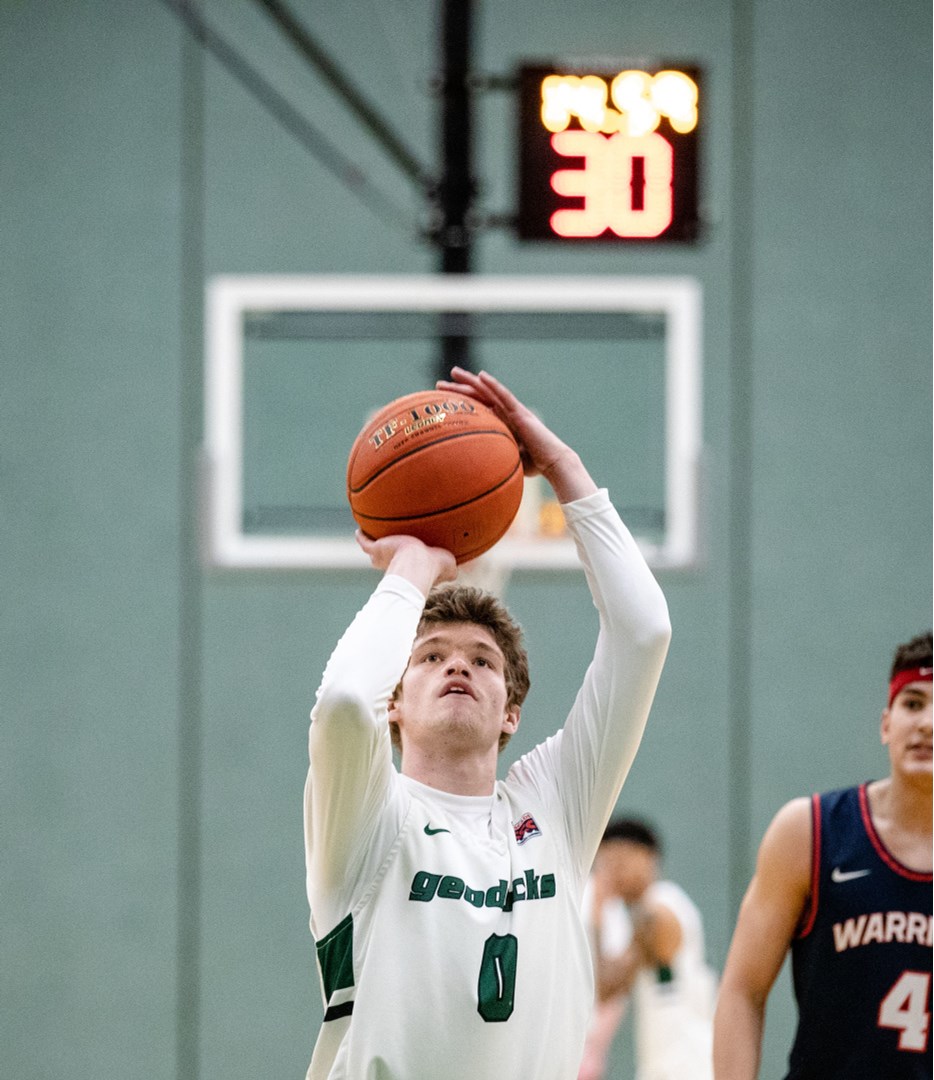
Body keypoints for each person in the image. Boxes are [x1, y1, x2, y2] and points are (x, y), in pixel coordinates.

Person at [302, 367, 672, 1080]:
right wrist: (411, 570)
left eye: (482, 659)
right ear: (394, 703)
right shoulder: (367, 816)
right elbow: (345, 700)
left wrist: (563, 468)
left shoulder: (553, 808)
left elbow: (645, 632)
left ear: (510, 712)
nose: (458, 666)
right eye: (431, 656)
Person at [713, 631, 933, 1079]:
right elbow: (743, 989)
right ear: (886, 724)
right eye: (912, 703)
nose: (926, 723)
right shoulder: (811, 831)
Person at [578, 817, 717, 1080]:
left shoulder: (658, 908)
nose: (611, 874)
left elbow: (607, 984)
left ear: (648, 858)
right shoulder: (645, 913)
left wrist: (598, 911)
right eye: (605, 864)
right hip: (668, 1064)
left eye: (619, 862)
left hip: (686, 1065)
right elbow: (606, 989)